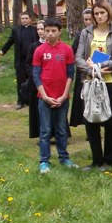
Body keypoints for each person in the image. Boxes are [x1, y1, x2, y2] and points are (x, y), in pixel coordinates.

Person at [75, 0, 112, 171]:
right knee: (91, 121)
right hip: (91, 83)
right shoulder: (86, 33)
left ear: (108, 13)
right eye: (96, 14)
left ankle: (110, 160)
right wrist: (91, 71)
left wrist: (98, 66)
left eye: (102, 13)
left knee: (111, 122)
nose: (99, 16)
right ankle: (96, 160)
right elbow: (79, 58)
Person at [32, 17, 76, 174]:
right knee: (45, 131)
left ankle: (64, 157)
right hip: (45, 98)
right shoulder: (39, 51)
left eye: (53, 31)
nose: (50, 34)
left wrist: (64, 95)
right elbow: (36, 75)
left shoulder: (67, 50)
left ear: (59, 32)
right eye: (47, 31)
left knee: (62, 129)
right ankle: (44, 161)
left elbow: (71, 74)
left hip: (62, 98)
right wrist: (44, 96)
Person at [0, 11, 39, 109]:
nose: (24, 20)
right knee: (20, 81)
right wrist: (2, 51)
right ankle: (20, 101)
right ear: (20, 20)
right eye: (22, 18)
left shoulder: (34, 30)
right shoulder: (16, 30)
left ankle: (31, 101)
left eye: (26, 18)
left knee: (33, 80)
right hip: (20, 61)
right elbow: (10, 41)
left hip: (32, 60)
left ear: (30, 19)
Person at [69, 8, 93, 128]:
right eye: (86, 19)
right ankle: (86, 123)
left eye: (90, 19)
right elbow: (73, 52)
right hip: (82, 72)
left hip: (97, 69)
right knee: (83, 99)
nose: (88, 22)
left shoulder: (100, 33)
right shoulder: (80, 34)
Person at [26, 20, 46, 139]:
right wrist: (34, 76)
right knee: (38, 108)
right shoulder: (33, 46)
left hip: (50, 81)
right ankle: (40, 133)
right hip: (37, 83)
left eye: (42, 29)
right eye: (38, 29)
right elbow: (28, 64)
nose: (40, 31)